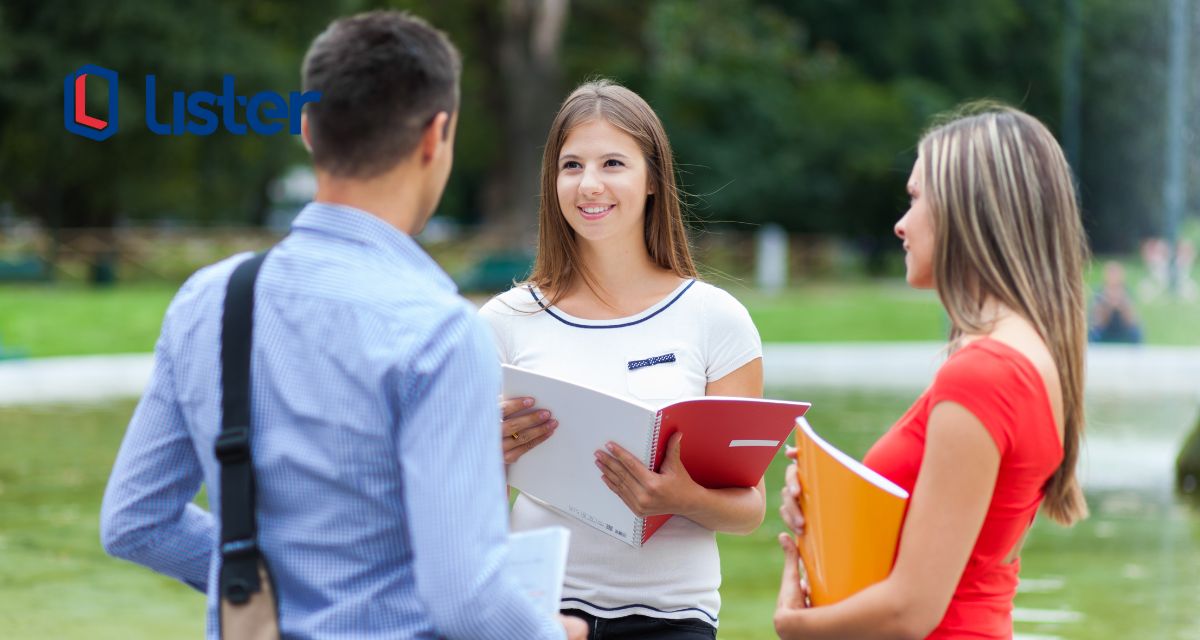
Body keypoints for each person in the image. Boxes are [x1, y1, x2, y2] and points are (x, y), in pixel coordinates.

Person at [99, 11, 585, 640]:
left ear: (306, 127)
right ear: (435, 136)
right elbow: (465, 598)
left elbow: (136, 521)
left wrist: (258, 573)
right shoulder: (439, 331)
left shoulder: (207, 300)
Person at [775, 103, 1089, 639]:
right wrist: (829, 510)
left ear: (971, 211)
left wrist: (794, 624)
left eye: (917, 199)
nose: (901, 224)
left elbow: (910, 612)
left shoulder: (985, 372)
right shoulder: (1027, 355)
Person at [478, 79, 765, 638]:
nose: (589, 185)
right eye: (571, 165)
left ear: (653, 177)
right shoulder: (502, 321)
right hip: (541, 613)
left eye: (612, 163)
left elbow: (748, 510)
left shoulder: (716, 320)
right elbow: (464, 505)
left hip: (674, 618)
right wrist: (482, 451)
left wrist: (678, 498)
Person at [1089, 260, 1143, 343]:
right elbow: (1097, 322)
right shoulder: (1099, 292)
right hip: (1105, 327)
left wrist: (1122, 305)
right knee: (1093, 332)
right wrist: (1107, 306)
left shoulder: (1126, 292)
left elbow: (1132, 320)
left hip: (1122, 326)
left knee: (1136, 331)